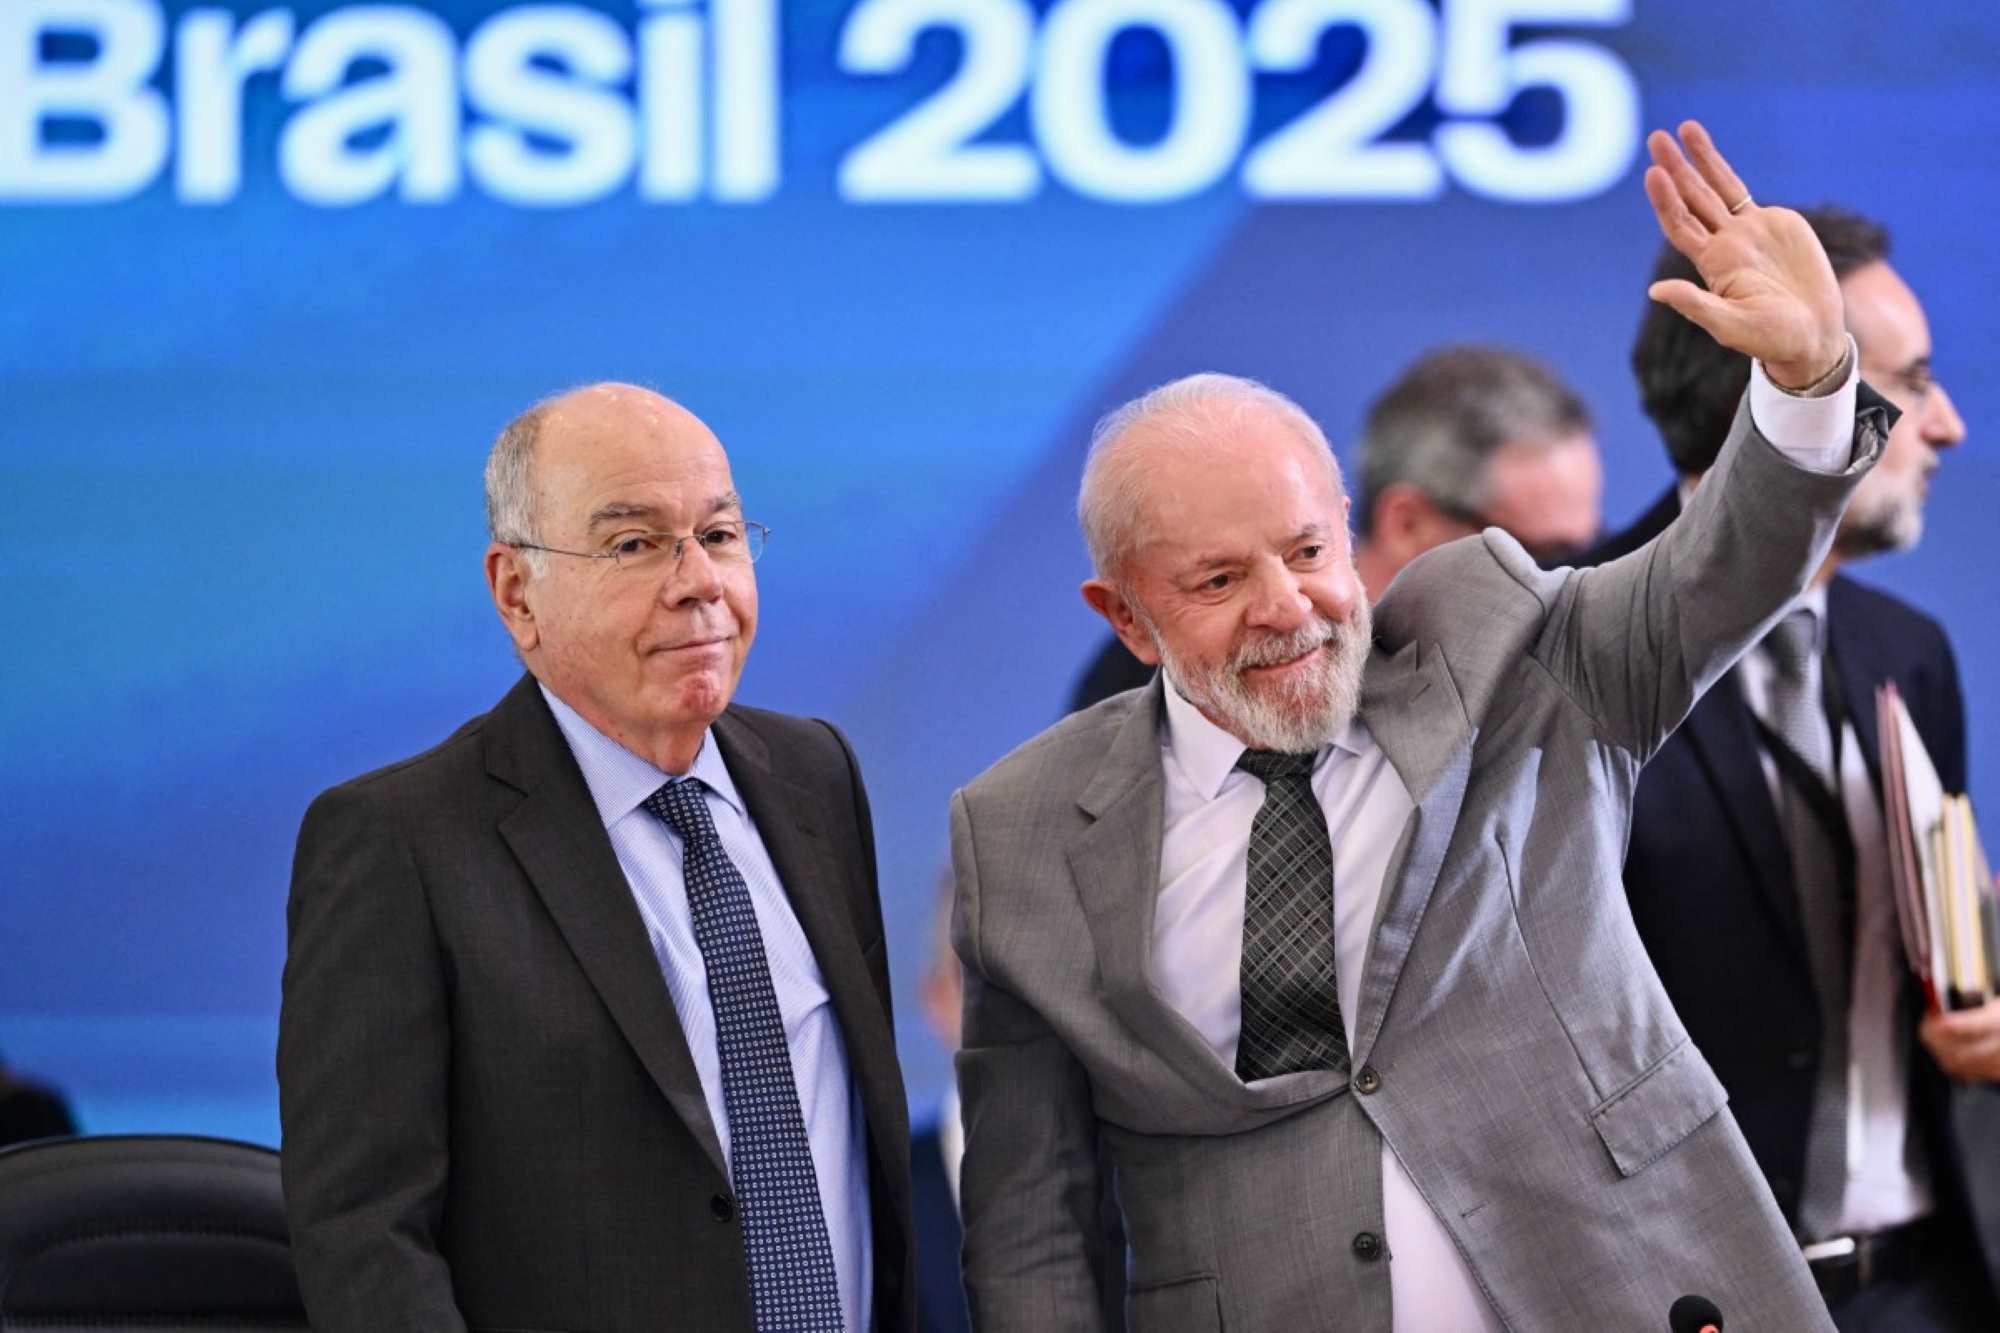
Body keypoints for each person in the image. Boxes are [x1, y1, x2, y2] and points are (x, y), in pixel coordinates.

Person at [950, 122, 1886, 1331]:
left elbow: (1713, 576)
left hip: (1632, 1290)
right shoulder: (1018, 834)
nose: (1287, 609)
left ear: (1347, 524)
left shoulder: (1502, 650)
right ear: (1122, 618)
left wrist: (1806, 387)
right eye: (1219, 581)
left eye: (1304, 550)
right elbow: (1030, 1223)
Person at [278, 384, 915, 1332]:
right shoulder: (395, 843)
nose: (699, 580)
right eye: (634, 543)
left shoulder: (817, 777)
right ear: (516, 593)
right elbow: (367, 1243)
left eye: (722, 535)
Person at [1590, 206, 1998, 1330]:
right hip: (1677, 1297)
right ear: (1780, 394)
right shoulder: (1560, 642)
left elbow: (1946, 948)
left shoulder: (1906, 655)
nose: (1948, 426)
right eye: (1910, 384)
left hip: (1925, 1286)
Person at [1066, 345, 1602, 710]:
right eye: (1221, 581)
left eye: (1307, 552)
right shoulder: (1148, 692)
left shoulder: (1551, 684)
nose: (1562, 583)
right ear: (1407, 522)